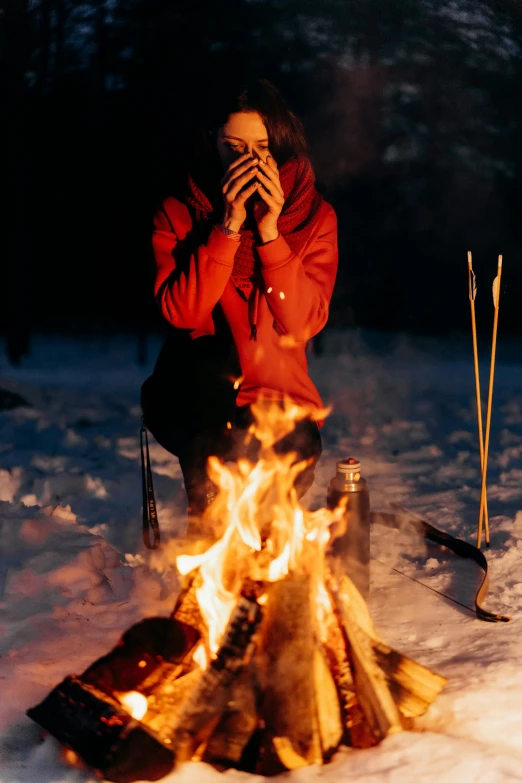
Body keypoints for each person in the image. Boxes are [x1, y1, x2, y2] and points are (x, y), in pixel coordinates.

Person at [141, 77, 338, 530]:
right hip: (196, 396)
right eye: (233, 146)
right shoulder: (179, 212)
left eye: (260, 146)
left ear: (280, 146)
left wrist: (270, 234)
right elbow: (181, 312)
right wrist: (227, 226)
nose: (247, 160)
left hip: (279, 398)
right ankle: (207, 559)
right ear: (212, 142)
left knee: (276, 497)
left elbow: (304, 321)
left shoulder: (314, 217)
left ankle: (271, 561)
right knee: (211, 471)